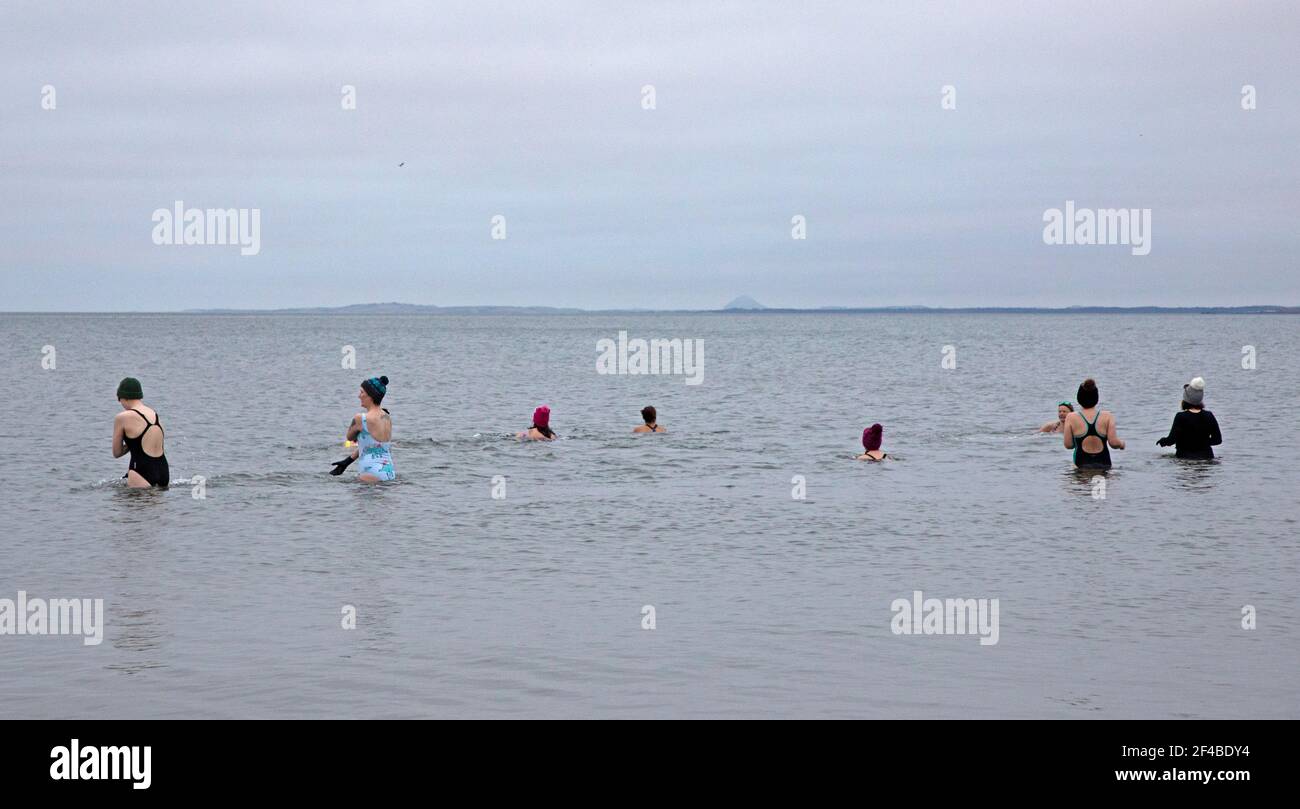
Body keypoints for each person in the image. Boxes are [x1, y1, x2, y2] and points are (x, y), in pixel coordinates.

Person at [111, 376, 169, 488]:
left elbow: (116, 452)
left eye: (119, 399)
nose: (120, 403)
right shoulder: (155, 414)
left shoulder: (122, 417)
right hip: (163, 471)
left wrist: (130, 444)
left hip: (140, 472)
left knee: (134, 505)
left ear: (124, 397)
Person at [336, 376, 394, 482]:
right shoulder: (387, 416)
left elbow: (349, 438)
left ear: (370, 396)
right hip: (389, 471)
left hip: (370, 472)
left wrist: (356, 435)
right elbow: (373, 446)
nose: (359, 396)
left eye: (362, 392)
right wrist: (347, 461)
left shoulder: (360, 419)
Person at [1063, 378, 1124, 468]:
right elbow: (1113, 443)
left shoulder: (1071, 417)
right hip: (1104, 464)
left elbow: (1068, 445)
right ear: (1096, 398)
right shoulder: (1107, 416)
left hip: (1081, 465)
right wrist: (1121, 444)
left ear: (1079, 398)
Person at [1157, 377, 1222, 459]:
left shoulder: (1181, 417)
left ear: (1185, 400)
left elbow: (1171, 440)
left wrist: (1163, 441)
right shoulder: (1209, 415)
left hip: (1185, 457)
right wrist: (1202, 442)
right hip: (1207, 457)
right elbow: (1218, 440)